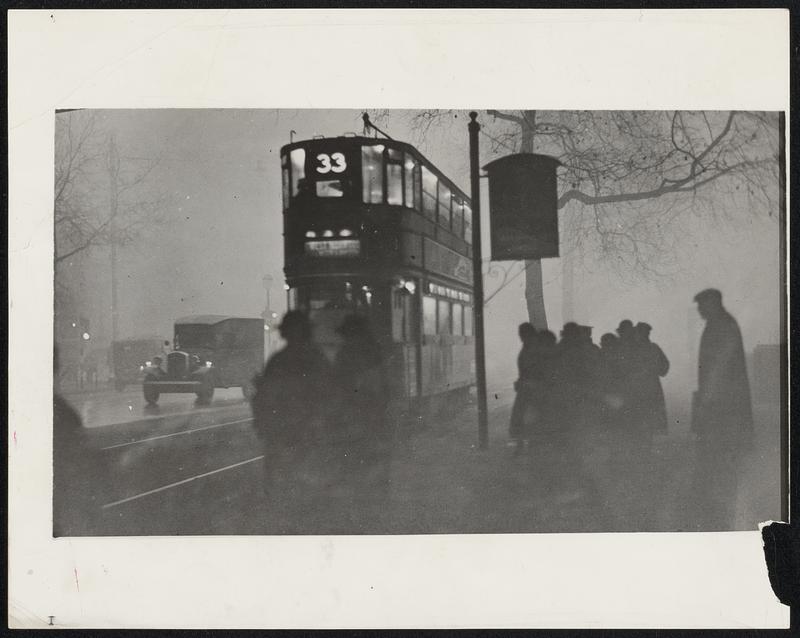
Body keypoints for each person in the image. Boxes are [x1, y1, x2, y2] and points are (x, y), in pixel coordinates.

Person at [250, 311, 332, 515]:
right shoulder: (317, 359)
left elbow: (263, 397)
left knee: (281, 480)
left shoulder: (279, 361)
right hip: (309, 431)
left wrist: (263, 425)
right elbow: (330, 395)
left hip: (283, 431)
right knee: (309, 481)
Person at [690, 288, 754, 530]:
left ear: (712, 303)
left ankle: (720, 513)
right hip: (723, 404)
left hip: (723, 406)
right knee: (719, 456)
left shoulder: (722, 326)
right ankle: (718, 506)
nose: (699, 310)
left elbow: (718, 367)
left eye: (701, 305)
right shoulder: (721, 324)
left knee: (721, 456)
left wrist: (705, 401)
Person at [330, 314, 392, 529]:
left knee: (356, 463)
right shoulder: (373, 351)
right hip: (369, 416)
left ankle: (357, 515)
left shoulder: (349, 354)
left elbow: (345, 385)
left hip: (356, 417)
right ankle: (368, 511)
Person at [633, 322, 670, 433]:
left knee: (643, 419)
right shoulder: (653, 348)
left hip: (642, 387)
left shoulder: (639, 349)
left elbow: (664, 366)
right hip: (650, 386)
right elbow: (664, 367)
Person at [509, 322, 538, 453]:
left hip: (530, 388)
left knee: (523, 415)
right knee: (523, 415)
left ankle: (523, 444)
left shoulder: (531, 348)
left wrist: (523, 381)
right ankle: (523, 443)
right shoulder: (529, 346)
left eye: (522, 334)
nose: (520, 337)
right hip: (527, 387)